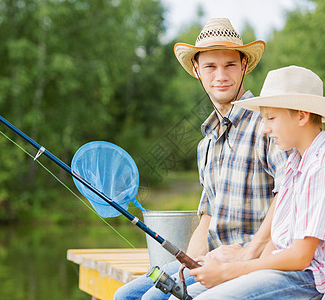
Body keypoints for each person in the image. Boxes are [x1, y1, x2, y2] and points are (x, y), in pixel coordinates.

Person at [114, 18, 288, 300]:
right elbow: (206, 219)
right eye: (210, 66)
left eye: (230, 65)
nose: (221, 75)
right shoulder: (205, 143)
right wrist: (186, 266)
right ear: (196, 70)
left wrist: (249, 252)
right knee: (126, 295)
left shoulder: (266, 125)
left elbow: (289, 193)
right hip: (212, 259)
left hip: (252, 262)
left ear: (244, 66)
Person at [184, 66, 325, 299]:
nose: (266, 128)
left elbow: (300, 257)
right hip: (286, 271)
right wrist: (234, 270)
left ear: (302, 115)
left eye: (271, 118)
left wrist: (228, 272)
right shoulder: (295, 164)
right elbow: (278, 241)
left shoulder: (323, 168)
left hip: (314, 281)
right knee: (182, 295)